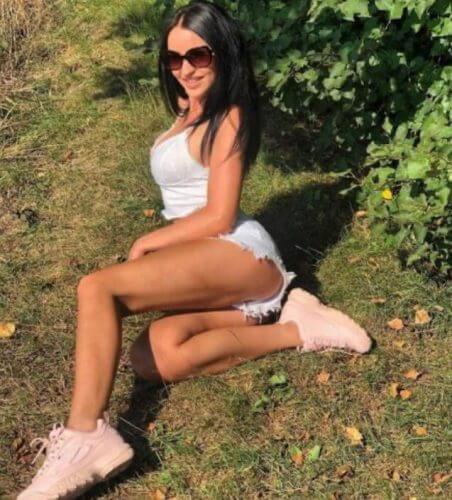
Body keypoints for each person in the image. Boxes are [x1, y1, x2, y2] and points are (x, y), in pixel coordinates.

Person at [17, 1, 371, 498]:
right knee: (152, 356)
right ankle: (296, 326)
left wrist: (150, 240)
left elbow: (220, 215)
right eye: (173, 59)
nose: (184, 69)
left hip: (236, 250)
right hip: (209, 264)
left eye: (198, 55)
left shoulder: (230, 116)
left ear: (222, 53)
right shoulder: (187, 111)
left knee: (97, 289)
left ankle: (84, 438)